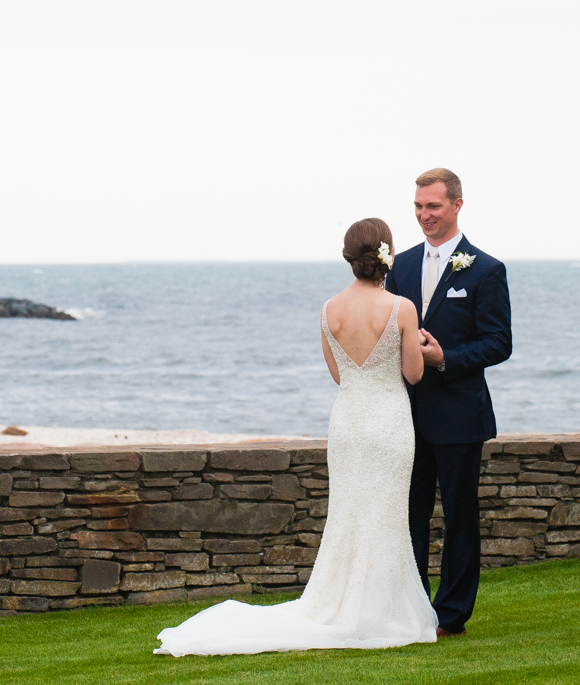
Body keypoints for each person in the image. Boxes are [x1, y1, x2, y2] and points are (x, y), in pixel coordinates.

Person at [154, 218, 437, 656]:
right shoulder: (401, 308)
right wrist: (420, 346)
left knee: (348, 514)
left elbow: (339, 374)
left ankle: (344, 604)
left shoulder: (328, 310)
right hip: (388, 422)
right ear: (387, 255)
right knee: (384, 514)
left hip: (348, 421)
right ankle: (379, 610)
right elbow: (412, 373)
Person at [385, 168, 512, 637]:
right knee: (410, 516)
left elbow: (499, 343)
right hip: (407, 415)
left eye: (433, 207)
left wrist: (446, 358)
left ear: (457, 205)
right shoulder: (400, 267)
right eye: (418, 207)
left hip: (460, 415)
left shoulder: (485, 269)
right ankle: (412, 609)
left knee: (460, 518)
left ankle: (451, 615)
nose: (424, 216)